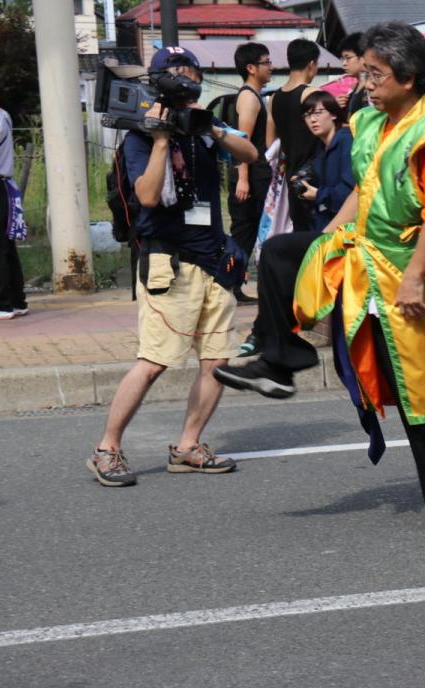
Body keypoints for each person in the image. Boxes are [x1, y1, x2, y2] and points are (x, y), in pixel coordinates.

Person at [214, 23, 425, 533]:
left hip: (411, 272)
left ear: (407, 77)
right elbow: (364, 188)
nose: (365, 82)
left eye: (375, 74)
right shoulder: (372, 124)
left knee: (420, 390)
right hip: (364, 254)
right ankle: (281, 360)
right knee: (282, 253)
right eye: (364, 72)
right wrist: (325, 240)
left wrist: (414, 277)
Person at [87, 46, 258, 487]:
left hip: (214, 261)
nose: (188, 81)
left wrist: (210, 127)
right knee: (154, 361)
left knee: (216, 360)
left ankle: (188, 445)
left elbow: (250, 153)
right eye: (178, 73)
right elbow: (147, 196)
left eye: (193, 73)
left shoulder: (203, 127)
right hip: (170, 262)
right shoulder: (139, 136)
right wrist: (162, 139)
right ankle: (107, 448)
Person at [229, 42, 273, 312]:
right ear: (251, 68)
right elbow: (241, 141)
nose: (271, 67)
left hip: (255, 175)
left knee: (248, 233)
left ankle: (235, 285)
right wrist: (244, 178)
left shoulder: (256, 95)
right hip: (250, 177)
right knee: (242, 234)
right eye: (266, 62)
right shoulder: (249, 97)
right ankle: (229, 285)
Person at [266, 38, 319, 232]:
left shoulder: (274, 98)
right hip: (314, 174)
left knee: (298, 228)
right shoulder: (312, 94)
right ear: (311, 64)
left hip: (291, 175)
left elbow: (270, 142)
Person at [0, 79, 26, 321]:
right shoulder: (0, 113)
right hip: (2, 186)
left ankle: (0, 304)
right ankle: (15, 301)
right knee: (6, 247)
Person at [295, 91, 355, 230]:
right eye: (307, 115)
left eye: (318, 113)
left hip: (344, 226)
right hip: (322, 220)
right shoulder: (320, 146)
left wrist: (318, 194)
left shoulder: (346, 141)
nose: (312, 120)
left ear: (334, 114)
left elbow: (350, 191)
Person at [336, 32, 370, 114]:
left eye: (348, 58)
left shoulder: (372, 88)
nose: (344, 63)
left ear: (363, 57)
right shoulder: (353, 88)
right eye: (343, 59)